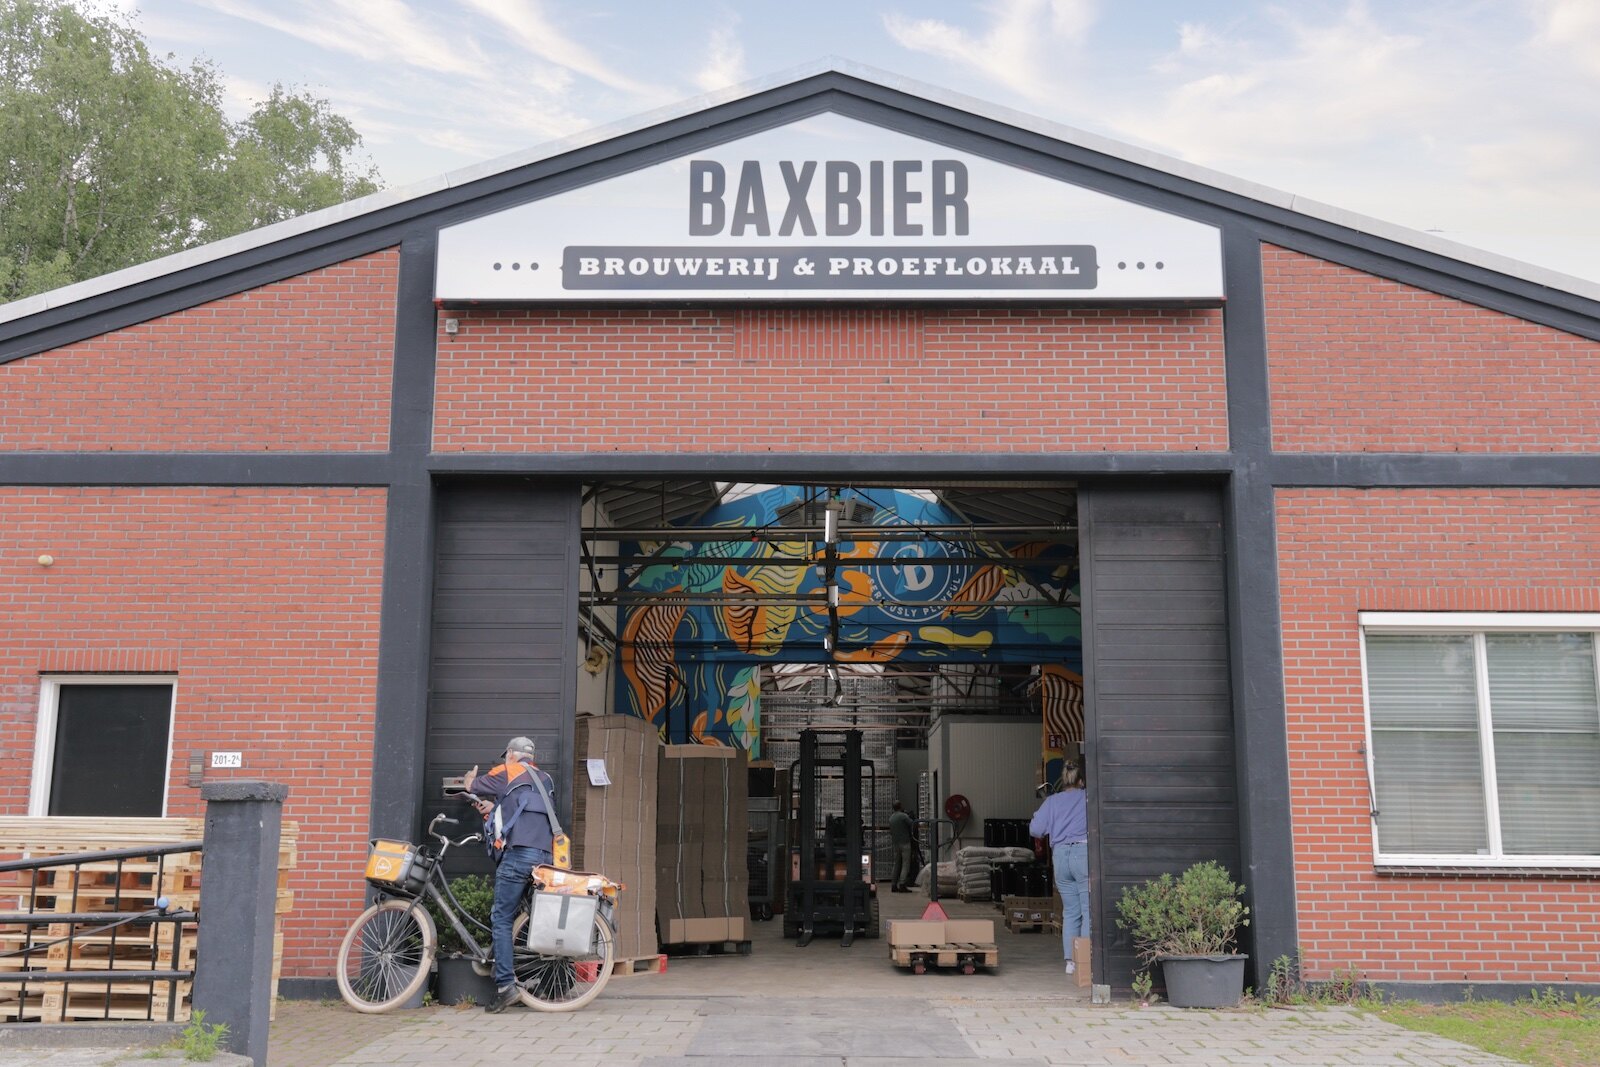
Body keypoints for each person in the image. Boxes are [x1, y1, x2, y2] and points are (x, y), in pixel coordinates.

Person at [463, 735, 556, 1013]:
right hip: (544, 857)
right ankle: (548, 980)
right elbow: (524, 809)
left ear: (513, 755)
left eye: (506, 755)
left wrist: (470, 778)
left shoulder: (507, 771)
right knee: (529, 915)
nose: (505, 759)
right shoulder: (546, 778)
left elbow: (470, 786)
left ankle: (506, 987)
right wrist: (494, 809)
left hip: (518, 855)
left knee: (501, 918)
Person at [1029, 762, 1089, 975]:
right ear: (1081, 781)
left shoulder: (1052, 802)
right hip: (1083, 854)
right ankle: (1086, 960)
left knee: (1070, 911)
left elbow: (1036, 830)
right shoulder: (1087, 797)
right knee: (1087, 910)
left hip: (1061, 856)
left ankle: (1070, 963)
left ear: (1063, 782)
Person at [887, 800, 916, 892]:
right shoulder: (903, 816)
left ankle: (893, 884)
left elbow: (891, 831)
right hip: (905, 843)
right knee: (905, 864)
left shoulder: (891, 818)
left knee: (897, 864)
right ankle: (902, 884)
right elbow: (913, 824)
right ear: (900, 806)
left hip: (896, 843)